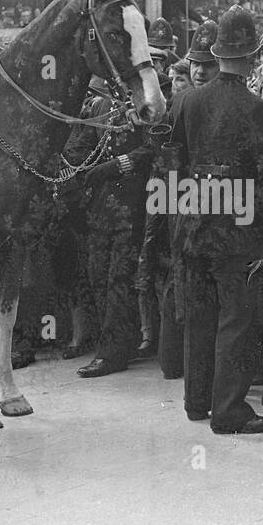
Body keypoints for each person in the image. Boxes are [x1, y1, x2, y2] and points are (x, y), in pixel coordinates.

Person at [171, 6, 263, 435]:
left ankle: (196, 402)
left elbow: (175, 161)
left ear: (215, 53)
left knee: (200, 314)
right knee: (237, 318)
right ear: (249, 56)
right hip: (238, 228)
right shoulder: (254, 108)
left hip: (194, 221)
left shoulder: (190, 101)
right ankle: (229, 410)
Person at [69, 77, 155, 378]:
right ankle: (120, 342)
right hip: (101, 208)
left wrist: (118, 165)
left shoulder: (149, 103)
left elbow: (152, 148)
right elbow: (83, 148)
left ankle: (112, 354)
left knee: (120, 278)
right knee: (97, 274)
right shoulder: (101, 106)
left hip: (133, 204)